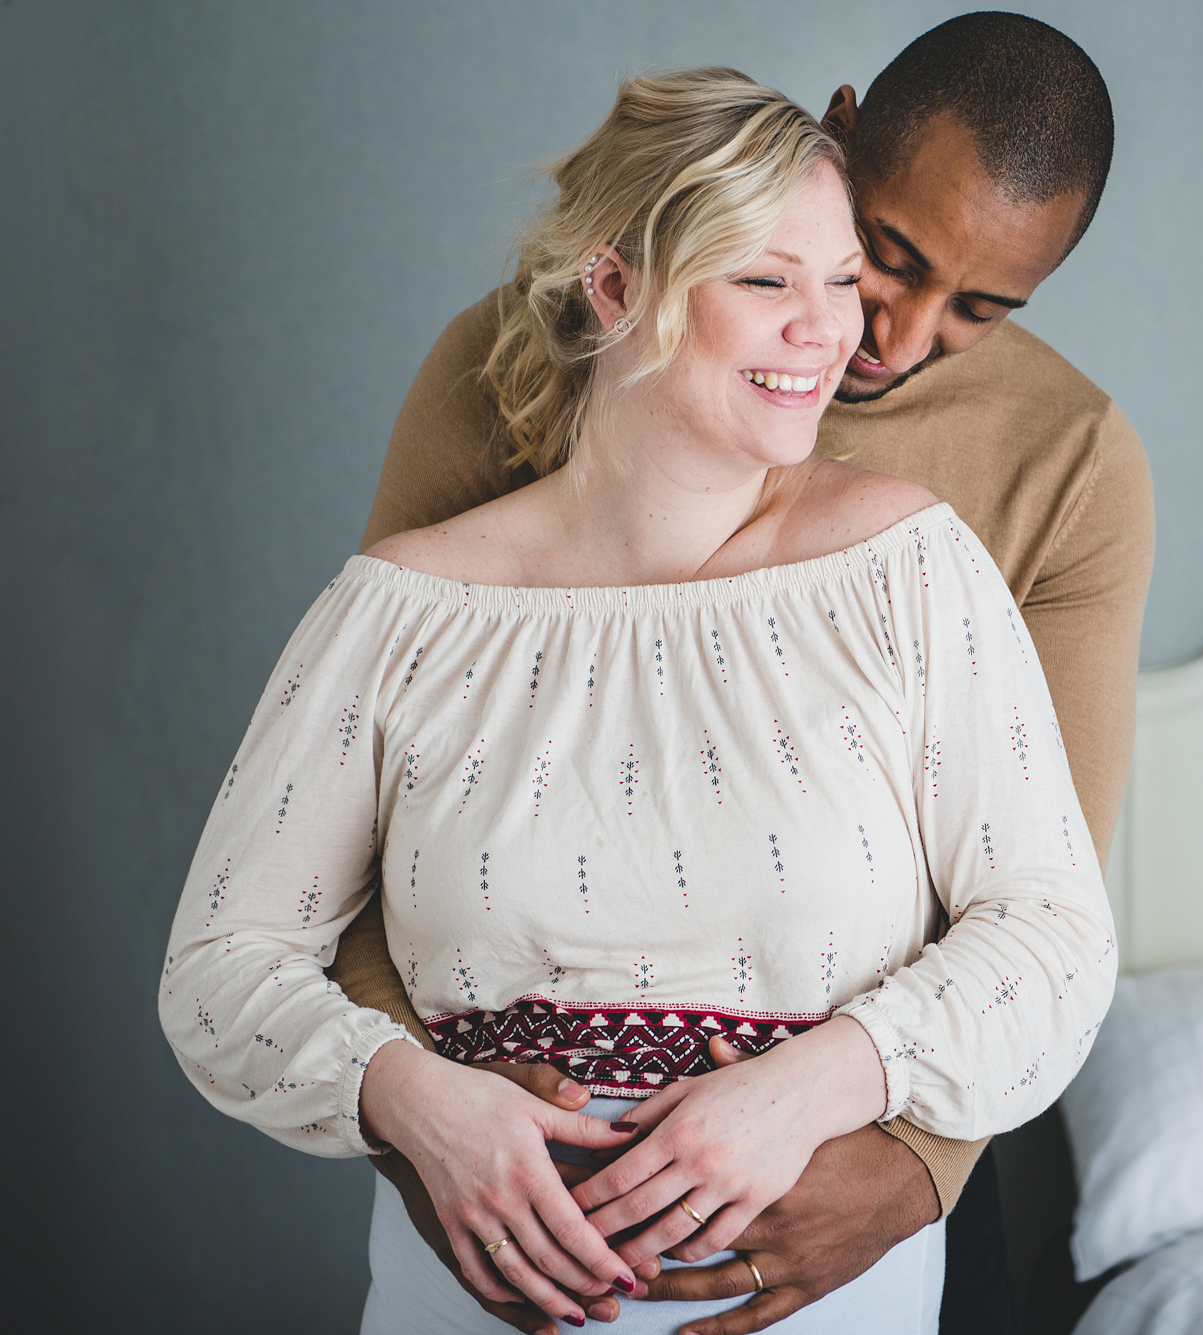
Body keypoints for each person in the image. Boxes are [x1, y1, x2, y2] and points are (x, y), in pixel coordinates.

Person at [159, 67, 1118, 1335]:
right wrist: (414, 1103)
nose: (848, 333)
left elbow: (1052, 932)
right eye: (770, 280)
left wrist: (818, 1091)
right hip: (475, 1279)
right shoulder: (403, 606)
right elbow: (222, 963)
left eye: (842, 280)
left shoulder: (920, 568)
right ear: (613, 287)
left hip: (818, 1283)